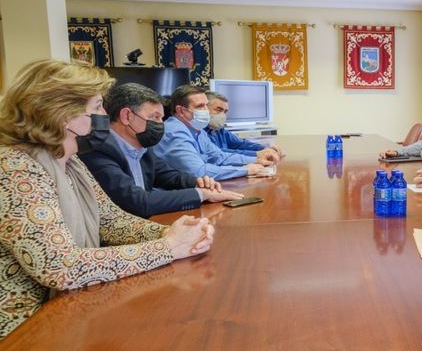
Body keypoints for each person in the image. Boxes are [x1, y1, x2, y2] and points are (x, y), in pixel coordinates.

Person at [0, 60, 215, 338]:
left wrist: (176, 232)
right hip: (24, 329)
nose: (104, 115)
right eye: (97, 107)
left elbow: (111, 221)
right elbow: (61, 267)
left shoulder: (70, 162)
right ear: (63, 113)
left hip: (67, 310)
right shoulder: (15, 169)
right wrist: (168, 247)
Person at [79, 83, 244, 218]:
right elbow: (138, 202)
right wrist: (201, 194)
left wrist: (198, 182)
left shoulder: (142, 146)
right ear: (127, 116)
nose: (160, 124)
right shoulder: (98, 151)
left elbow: (168, 176)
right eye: (154, 117)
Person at [154, 85, 270, 180]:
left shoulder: (196, 129)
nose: (205, 110)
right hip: (174, 194)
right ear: (181, 111)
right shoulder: (174, 132)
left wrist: (256, 160)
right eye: (200, 106)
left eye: (206, 105)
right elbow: (199, 172)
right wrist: (245, 170)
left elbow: (219, 157)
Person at [206, 91, 284, 160]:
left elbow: (241, 144)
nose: (222, 115)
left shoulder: (220, 130)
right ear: (204, 108)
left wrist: (265, 148)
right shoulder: (199, 132)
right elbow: (219, 153)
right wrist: (257, 154)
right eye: (218, 110)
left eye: (225, 111)